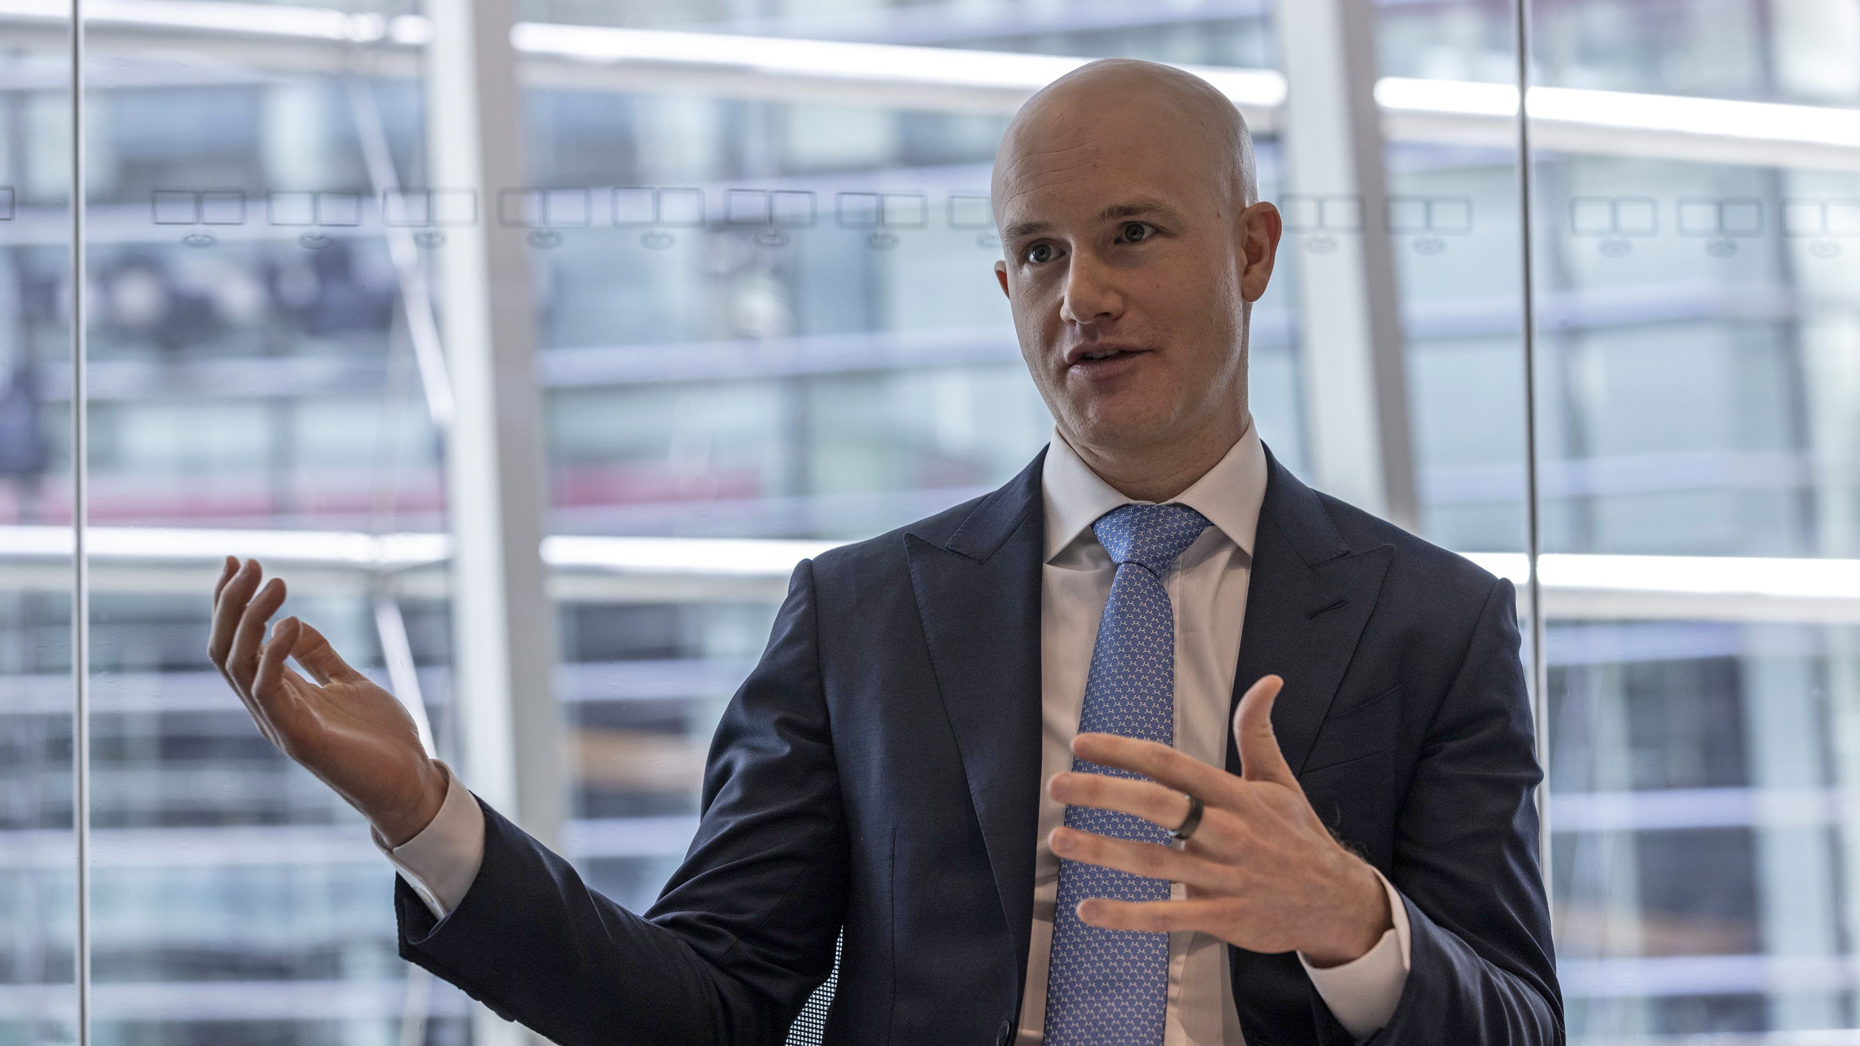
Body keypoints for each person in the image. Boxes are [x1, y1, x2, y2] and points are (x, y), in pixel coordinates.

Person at [207, 58, 1561, 1046]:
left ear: (1253, 249)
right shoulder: (861, 614)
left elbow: (1519, 1023)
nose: (1081, 293)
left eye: (1132, 234)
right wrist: (426, 814)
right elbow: (709, 1005)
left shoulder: (1431, 624)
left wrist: (1351, 918)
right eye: (1038, 253)